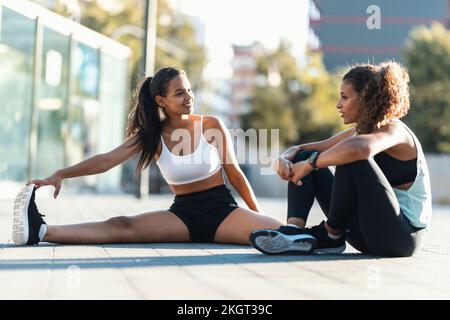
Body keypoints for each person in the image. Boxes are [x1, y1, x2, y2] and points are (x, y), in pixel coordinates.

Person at [12, 67, 282, 246]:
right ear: (161, 101)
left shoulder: (210, 125)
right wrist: (60, 175)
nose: (188, 97)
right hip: (183, 216)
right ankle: (41, 231)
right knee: (121, 226)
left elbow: (235, 174)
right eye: (179, 92)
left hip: (223, 212)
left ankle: (317, 234)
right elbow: (107, 160)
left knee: (279, 234)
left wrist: (257, 216)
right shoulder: (152, 135)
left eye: (189, 89)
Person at [249, 61, 432, 257]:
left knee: (351, 157)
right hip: (365, 233)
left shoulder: (395, 130)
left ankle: (331, 235)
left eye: (344, 97)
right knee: (306, 156)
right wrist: (284, 160)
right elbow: (301, 149)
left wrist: (311, 164)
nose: (338, 104)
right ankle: (293, 231)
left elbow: (359, 149)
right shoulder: (360, 132)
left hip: (401, 238)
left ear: (365, 100)